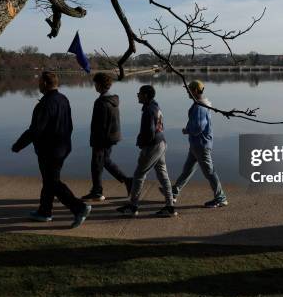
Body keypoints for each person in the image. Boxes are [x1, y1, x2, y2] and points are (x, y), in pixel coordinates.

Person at [12, 71, 91, 228]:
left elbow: (35, 130)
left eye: (40, 82)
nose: (38, 85)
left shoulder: (45, 104)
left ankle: (79, 207)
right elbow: (69, 125)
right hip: (62, 147)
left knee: (52, 182)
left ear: (46, 84)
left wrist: (18, 145)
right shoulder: (63, 99)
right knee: (49, 180)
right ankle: (44, 211)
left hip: (49, 150)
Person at [116, 85, 177, 217]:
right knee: (162, 175)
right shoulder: (156, 107)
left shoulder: (148, 110)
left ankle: (133, 206)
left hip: (153, 146)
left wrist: (142, 144)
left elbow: (149, 132)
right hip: (161, 143)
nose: (137, 95)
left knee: (138, 175)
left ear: (146, 95)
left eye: (139, 93)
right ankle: (170, 207)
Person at [166, 80, 227, 208]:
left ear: (194, 91)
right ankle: (174, 191)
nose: (187, 92)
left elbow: (199, 127)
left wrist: (187, 130)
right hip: (196, 144)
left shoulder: (200, 107)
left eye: (189, 90)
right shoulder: (201, 104)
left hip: (201, 144)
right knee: (187, 170)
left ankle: (220, 198)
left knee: (209, 172)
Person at [82, 72, 132, 201]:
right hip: (112, 136)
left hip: (103, 138)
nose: (94, 86)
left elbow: (100, 125)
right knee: (105, 161)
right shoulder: (113, 100)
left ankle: (97, 191)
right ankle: (127, 181)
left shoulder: (101, 102)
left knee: (96, 164)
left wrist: (96, 142)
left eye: (95, 84)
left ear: (99, 85)